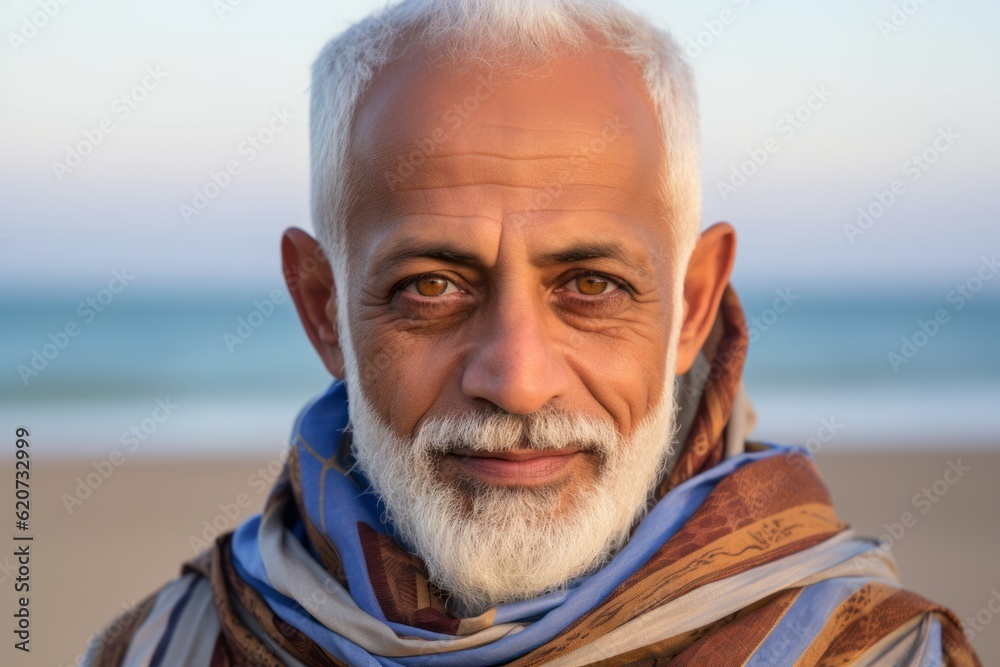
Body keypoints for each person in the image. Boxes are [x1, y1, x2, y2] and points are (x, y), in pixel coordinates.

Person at [84, 0, 981, 664]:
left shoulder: (878, 654)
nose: (516, 379)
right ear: (323, 307)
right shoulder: (170, 647)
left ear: (693, 305)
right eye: (430, 285)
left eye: (592, 284)